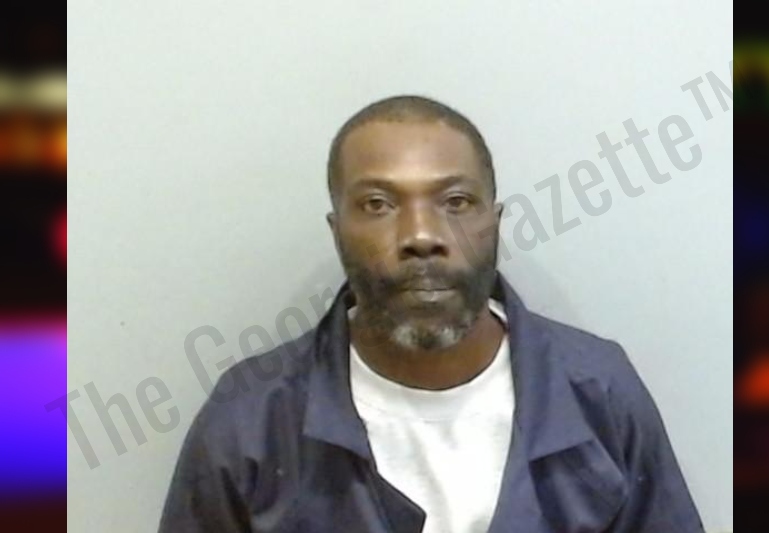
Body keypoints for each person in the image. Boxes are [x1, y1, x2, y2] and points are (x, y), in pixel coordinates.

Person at [159, 95, 704, 532]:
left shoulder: (598, 391)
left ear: (495, 223)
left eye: (456, 202)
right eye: (378, 204)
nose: (421, 235)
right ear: (337, 231)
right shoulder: (250, 418)